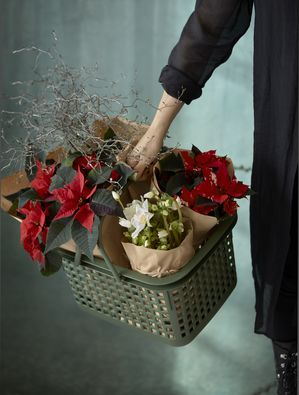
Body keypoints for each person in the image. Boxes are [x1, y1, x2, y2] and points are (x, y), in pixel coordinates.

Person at [126, 1, 298, 394]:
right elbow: (214, 19)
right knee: (289, 247)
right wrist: (157, 128)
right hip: (291, 109)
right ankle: (289, 374)